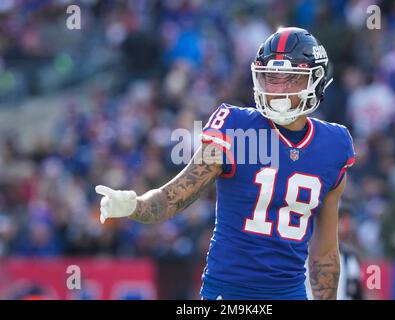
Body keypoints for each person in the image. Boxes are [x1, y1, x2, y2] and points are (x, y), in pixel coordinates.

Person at [95, 27, 356, 300]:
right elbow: (173, 197)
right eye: (270, 78)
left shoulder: (334, 144)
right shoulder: (235, 127)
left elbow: (325, 251)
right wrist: (134, 205)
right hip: (229, 294)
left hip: (289, 294)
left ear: (315, 80)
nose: (277, 89)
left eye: (290, 78)